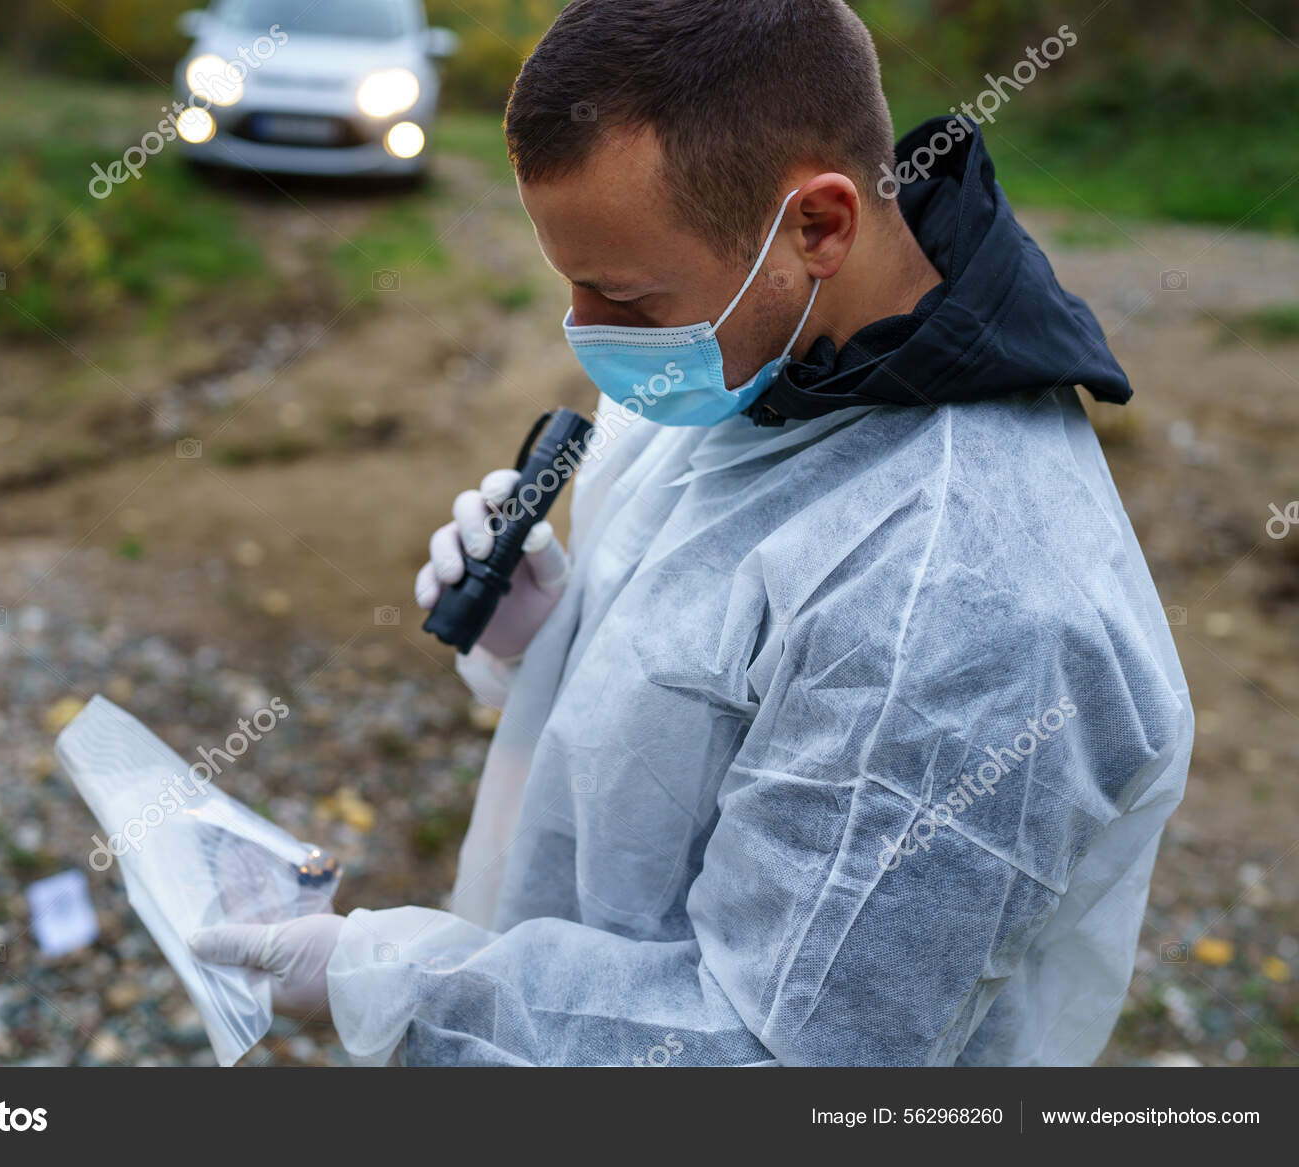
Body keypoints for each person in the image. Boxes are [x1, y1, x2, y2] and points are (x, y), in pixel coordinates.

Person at [190, 0, 1191, 1066]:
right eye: (570, 282)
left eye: (623, 293)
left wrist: (381, 983)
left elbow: (775, 1055)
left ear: (818, 225)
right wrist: (550, 642)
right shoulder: (767, 351)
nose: (585, 331)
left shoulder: (966, 611)